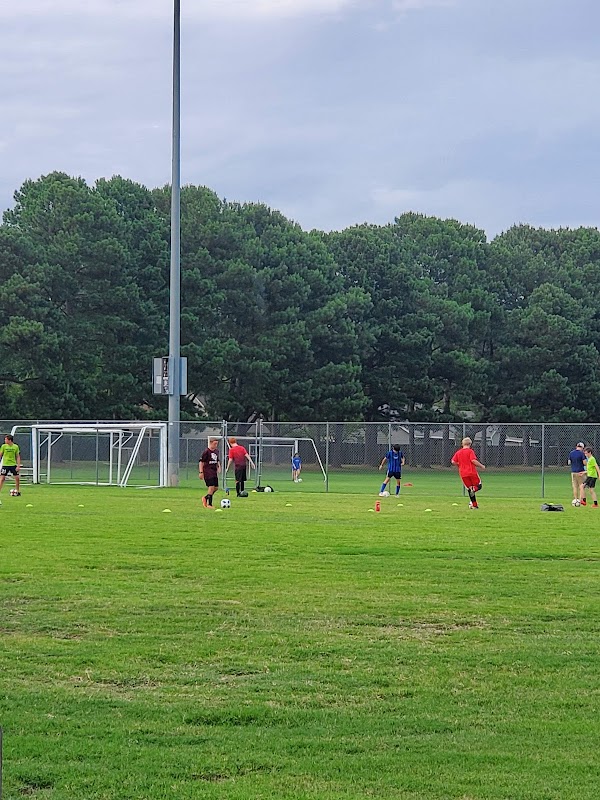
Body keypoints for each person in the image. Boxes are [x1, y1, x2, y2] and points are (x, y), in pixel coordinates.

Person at [451, 437, 485, 509]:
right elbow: (473, 460)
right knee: (479, 485)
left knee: (469, 489)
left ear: (462, 444)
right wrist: (481, 466)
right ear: (470, 444)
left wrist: (459, 465)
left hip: (463, 474)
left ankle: (474, 505)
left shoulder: (458, 452)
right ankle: (474, 490)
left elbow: (453, 461)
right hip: (471, 472)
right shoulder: (470, 451)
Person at [199, 438, 221, 509]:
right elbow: (201, 462)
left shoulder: (216, 451)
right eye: (215, 444)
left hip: (214, 472)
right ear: (211, 443)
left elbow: (217, 460)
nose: (216, 445)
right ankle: (209, 504)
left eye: (217, 444)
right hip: (208, 472)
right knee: (211, 487)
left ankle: (205, 497)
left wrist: (219, 467)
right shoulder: (206, 452)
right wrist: (201, 472)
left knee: (216, 488)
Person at [0, 434, 22, 499]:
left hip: (13, 465)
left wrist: (18, 466)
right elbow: (0, 455)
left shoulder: (15, 447)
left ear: (10, 440)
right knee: (2, 478)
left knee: (17, 478)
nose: (5, 440)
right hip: (5, 465)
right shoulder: (4, 446)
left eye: (6, 439)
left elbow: (17, 456)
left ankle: (17, 491)